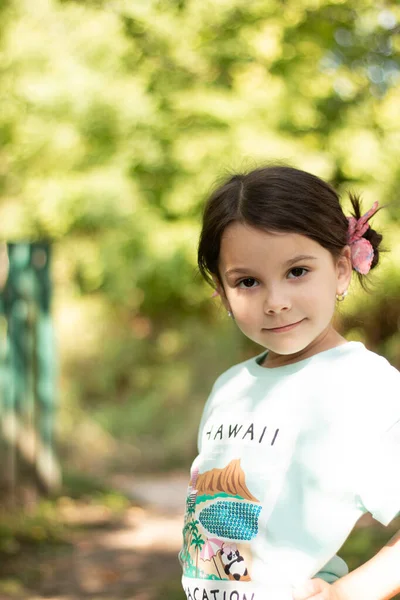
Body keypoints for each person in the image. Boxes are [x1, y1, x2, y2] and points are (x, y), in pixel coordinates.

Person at [179, 165, 400, 600]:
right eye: (247, 282)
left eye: (297, 271)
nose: (276, 303)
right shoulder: (230, 387)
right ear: (222, 293)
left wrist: (348, 594)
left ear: (340, 270)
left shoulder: (365, 387)